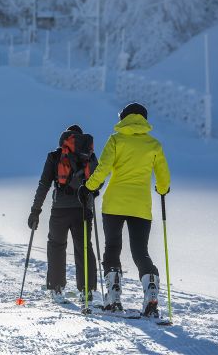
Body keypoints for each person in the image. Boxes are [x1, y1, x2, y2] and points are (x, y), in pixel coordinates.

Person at [78, 103, 170, 317]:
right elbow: (163, 179)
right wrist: (162, 189)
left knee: (112, 247)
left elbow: (104, 169)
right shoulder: (153, 145)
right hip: (141, 206)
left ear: (124, 118)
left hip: (114, 204)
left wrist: (89, 187)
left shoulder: (116, 140)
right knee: (140, 252)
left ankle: (113, 297)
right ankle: (151, 292)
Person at [28, 124, 98, 304]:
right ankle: (87, 291)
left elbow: (44, 184)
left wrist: (35, 210)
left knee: (56, 246)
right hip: (83, 209)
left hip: (59, 210)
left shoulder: (55, 156)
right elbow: (98, 181)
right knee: (83, 247)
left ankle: (56, 288)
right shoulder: (89, 156)